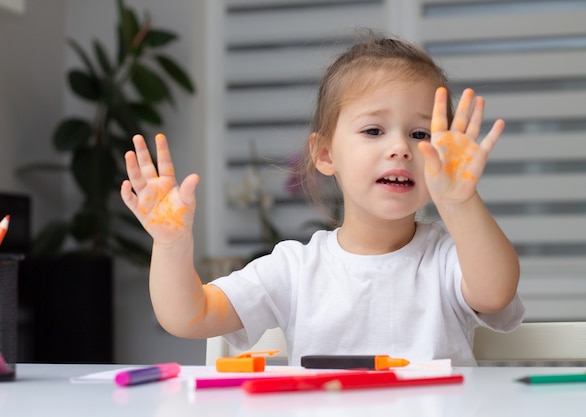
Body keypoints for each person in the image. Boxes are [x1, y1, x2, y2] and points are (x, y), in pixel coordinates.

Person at [120, 32, 524, 366]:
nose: (401, 147)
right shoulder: (295, 269)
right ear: (326, 154)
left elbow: (495, 293)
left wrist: (459, 201)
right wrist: (171, 245)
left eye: (420, 134)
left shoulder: (447, 259)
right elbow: (189, 315)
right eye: (373, 131)